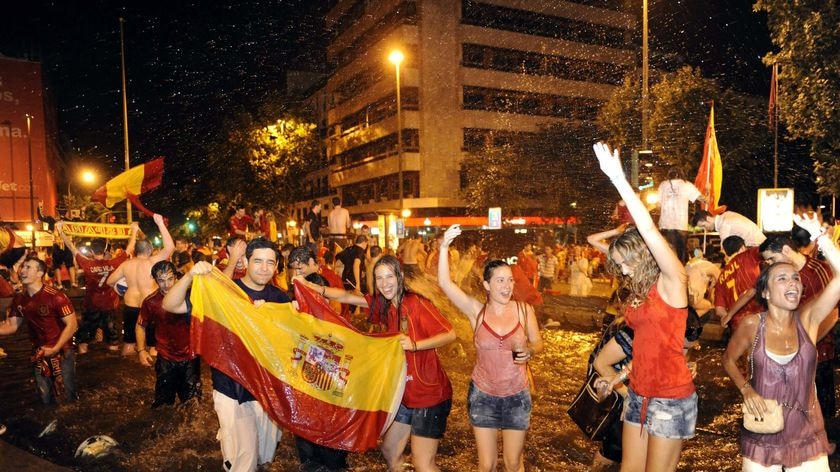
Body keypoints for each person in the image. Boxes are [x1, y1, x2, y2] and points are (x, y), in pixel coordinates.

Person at [294, 255, 456, 472]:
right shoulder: (384, 305)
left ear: (399, 276)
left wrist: (415, 344)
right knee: (390, 451)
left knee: (423, 464)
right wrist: (311, 286)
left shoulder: (416, 303)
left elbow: (450, 334)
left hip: (430, 395)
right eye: (379, 278)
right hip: (404, 394)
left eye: (389, 276)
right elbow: (347, 297)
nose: (385, 283)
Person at [592, 142, 696, 471]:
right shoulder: (642, 291)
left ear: (643, 254)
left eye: (625, 262)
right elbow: (649, 348)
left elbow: (649, 229)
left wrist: (619, 180)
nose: (622, 270)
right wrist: (618, 377)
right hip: (638, 391)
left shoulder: (673, 280)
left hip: (670, 397)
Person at [722, 214, 837, 471]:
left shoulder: (808, 319)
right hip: (764, 431)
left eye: (795, 278)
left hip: (807, 433)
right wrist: (746, 389)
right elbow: (728, 360)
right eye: (782, 278)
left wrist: (821, 237)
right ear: (765, 292)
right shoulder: (752, 325)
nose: (793, 282)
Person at [163, 238, 286, 472]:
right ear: (245, 261)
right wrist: (189, 277)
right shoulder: (224, 292)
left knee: (264, 460)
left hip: (268, 391)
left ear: (277, 265)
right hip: (233, 390)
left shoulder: (281, 299)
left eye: (270, 262)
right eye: (258, 261)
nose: (264, 268)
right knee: (243, 463)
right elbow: (170, 305)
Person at [436, 224, 544, 472]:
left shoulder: (524, 311)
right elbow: (445, 283)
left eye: (509, 280)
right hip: (483, 394)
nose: (507, 286)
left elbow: (538, 342)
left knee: (513, 462)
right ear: (487, 285)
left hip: (517, 395)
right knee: (486, 465)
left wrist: (532, 351)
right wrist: (444, 246)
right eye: (500, 280)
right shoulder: (477, 311)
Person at [759, 234, 838, 424]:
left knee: (819, 410)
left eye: (771, 258)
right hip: (791, 353)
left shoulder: (817, 271)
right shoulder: (776, 277)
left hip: (819, 351)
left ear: (786, 250)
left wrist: (806, 344)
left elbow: (832, 314)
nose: (769, 263)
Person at [285, 245, 350, 472]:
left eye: (301, 268)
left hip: (332, 364)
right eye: (293, 269)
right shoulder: (294, 288)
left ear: (314, 262)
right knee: (307, 439)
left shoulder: (328, 281)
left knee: (331, 437)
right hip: (306, 370)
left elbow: (339, 311)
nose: (297, 275)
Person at [0, 257, 78, 404]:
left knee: (66, 400)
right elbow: (12, 326)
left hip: (61, 352)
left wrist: (55, 348)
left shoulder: (56, 296)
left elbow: (72, 325)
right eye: (22, 267)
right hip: (38, 353)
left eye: (28, 267)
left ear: (40, 273)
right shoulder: (19, 299)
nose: (22, 270)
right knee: (46, 398)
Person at [56, 222, 137, 354]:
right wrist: (134, 230)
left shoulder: (87, 264)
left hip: (91, 305)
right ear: (105, 250)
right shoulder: (114, 263)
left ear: (91, 251)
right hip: (109, 305)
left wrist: (60, 231)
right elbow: (130, 248)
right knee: (113, 341)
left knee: (83, 341)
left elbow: (71, 247)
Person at [107, 213, 175, 356]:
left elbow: (110, 281)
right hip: (148, 305)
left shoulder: (126, 265)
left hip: (130, 305)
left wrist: (121, 290)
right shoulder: (152, 262)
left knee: (129, 343)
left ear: (136, 251)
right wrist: (160, 224)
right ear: (150, 250)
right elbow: (169, 248)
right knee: (153, 345)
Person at [136, 260, 201, 408]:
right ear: (155, 281)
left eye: (170, 279)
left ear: (177, 277)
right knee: (163, 405)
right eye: (161, 280)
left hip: (190, 357)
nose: (167, 284)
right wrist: (141, 350)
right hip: (166, 358)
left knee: (193, 405)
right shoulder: (151, 302)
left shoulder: (191, 296)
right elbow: (140, 325)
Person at [656, 168, 705, 263]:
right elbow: (703, 199)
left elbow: (658, 205)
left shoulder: (663, 185)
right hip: (681, 225)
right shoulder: (687, 184)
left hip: (666, 225)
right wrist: (708, 189)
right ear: (681, 174)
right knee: (681, 253)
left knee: (667, 253)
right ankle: (682, 272)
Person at [716, 236, 763, 332]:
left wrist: (727, 317)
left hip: (738, 326)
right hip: (758, 318)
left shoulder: (721, 278)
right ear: (742, 247)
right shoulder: (748, 255)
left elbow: (719, 310)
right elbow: (767, 248)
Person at [693, 209, 766, 248]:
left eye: (703, 226)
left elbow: (725, 251)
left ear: (708, 218)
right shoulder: (727, 214)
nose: (705, 229)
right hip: (762, 243)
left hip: (756, 247)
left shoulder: (723, 225)